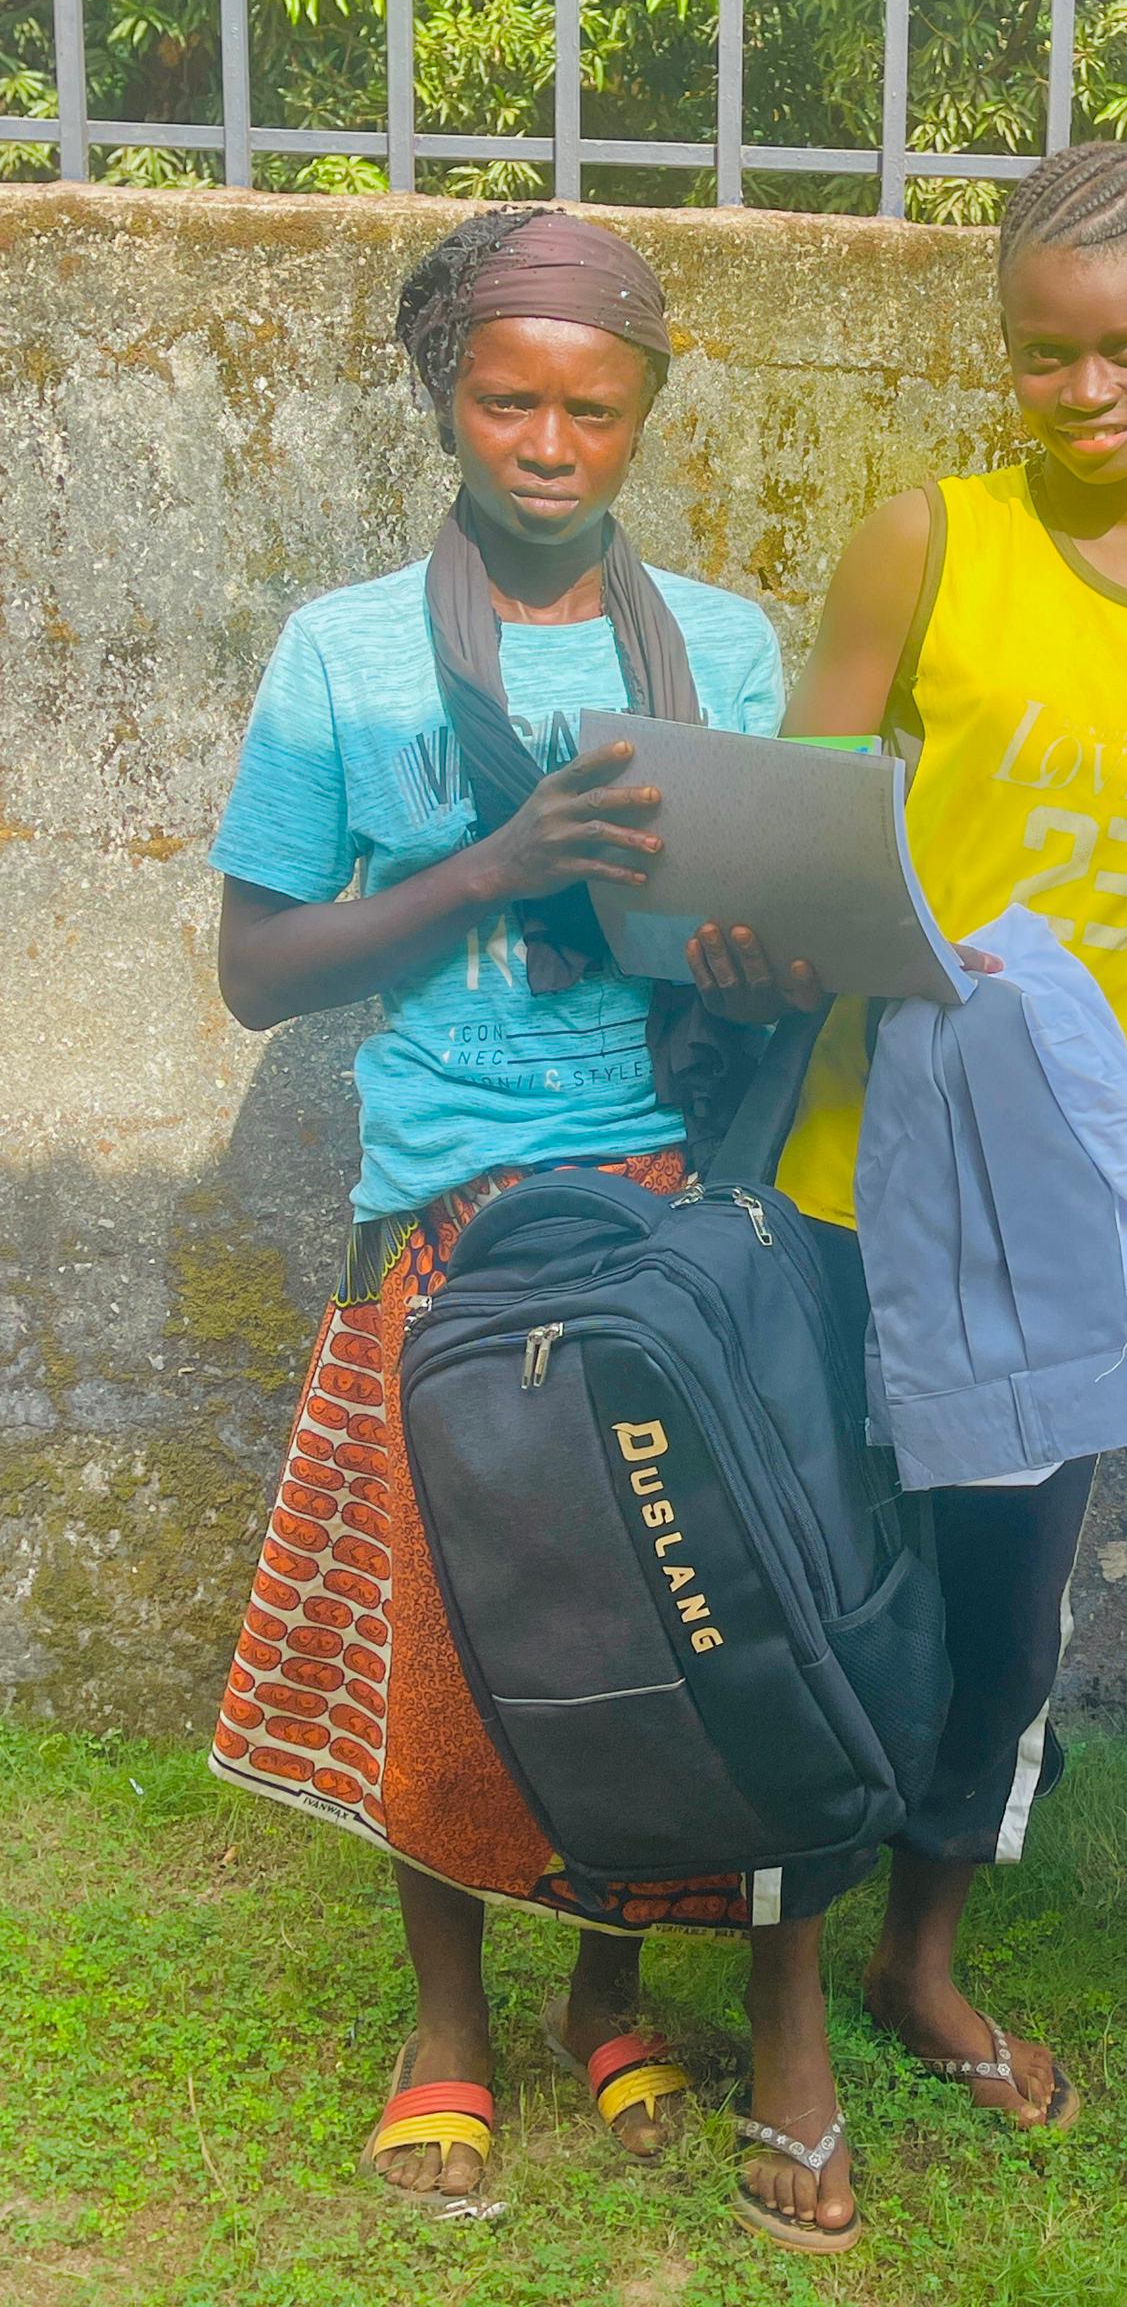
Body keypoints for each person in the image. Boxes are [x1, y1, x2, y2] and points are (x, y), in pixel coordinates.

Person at [687, 135, 1127, 2247]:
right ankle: (786, 2012)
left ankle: (919, 1953)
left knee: (991, 1632)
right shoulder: (923, 543)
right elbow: (799, 827)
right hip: (860, 1191)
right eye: (1044, 356)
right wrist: (766, 928)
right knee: (829, 1616)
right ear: (1004, 357)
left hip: (1073, 1234)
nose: (1090, 393)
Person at [206, 206, 792, 2204]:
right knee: (448, 1620)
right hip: (444, 1197)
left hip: (651, 1189)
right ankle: (446, 2014)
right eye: (507, 399)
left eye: (593, 407)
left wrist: (754, 952)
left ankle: (603, 1990)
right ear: (444, 398)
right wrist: (495, 859)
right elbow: (261, 966)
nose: (549, 440)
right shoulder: (346, 653)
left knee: (641, 1612)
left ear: (647, 411)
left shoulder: (721, 645)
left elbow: (735, 928)